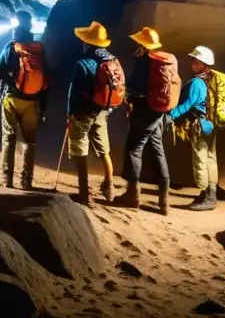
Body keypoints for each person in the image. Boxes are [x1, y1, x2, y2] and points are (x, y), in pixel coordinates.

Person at [120, 26, 179, 215]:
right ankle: (164, 201)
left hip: (144, 110)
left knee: (134, 148)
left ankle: (133, 195)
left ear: (143, 45)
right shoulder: (165, 61)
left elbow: (134, 86)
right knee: (157, 150)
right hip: (158, 111)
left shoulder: (146, 61)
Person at [67, 22, 125, 206]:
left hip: (83, 113)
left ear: (88, 43)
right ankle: (109, 188)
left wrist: (70, 114)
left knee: (80, 149)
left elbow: (75, 93)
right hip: (101, 112)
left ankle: (84, 193)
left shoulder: (83, 63)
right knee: (104, 151)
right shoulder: (113, 61)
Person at [0, 11, 48, 189]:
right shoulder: (38, 48)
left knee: (9, 138)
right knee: (29, 141)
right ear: (31, 26)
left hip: (12, 98)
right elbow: (46, 77)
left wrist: (12, 83)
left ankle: (6, 178)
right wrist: (43, 106)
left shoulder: (10, 47)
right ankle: (26, 180)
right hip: (32, 100)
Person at [168, 46, 220, 212]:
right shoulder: (209, 80)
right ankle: (211, 193)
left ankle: (206, 195)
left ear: (204, 64)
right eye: (193, 60)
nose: (193, 63)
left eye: (197, 61)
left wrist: (171, 115)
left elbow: (189, 104)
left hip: (198, 125)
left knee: (200, 160)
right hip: (209, 125)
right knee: (210, 159)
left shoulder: (197, 82)